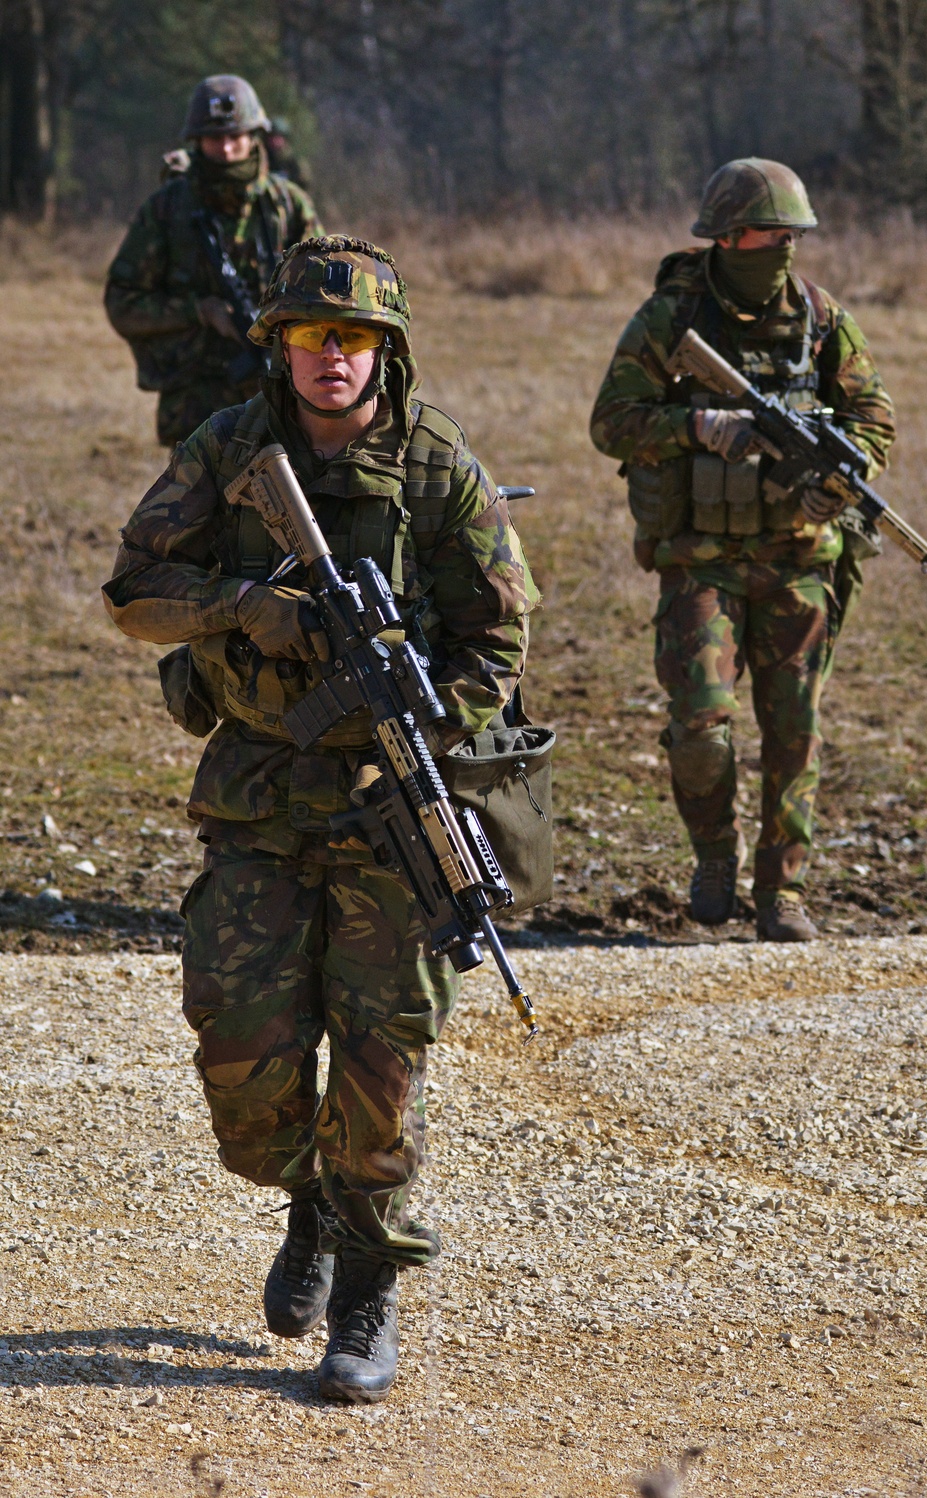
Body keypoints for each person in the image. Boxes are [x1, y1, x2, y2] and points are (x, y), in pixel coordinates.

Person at [102, 235, 537, 1402]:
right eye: (311, 339)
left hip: (390, 809)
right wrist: (244, 605)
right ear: (282, 349)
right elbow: (132, 592)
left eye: (352, 340)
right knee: (245, 1066)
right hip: (257, 798)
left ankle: (365, 1285)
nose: (331, 359)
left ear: (383, 352)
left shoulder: (438, 464)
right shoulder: (228, 450)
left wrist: (422, 714)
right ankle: (306, 1195)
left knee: (384, 1061)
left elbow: (501, 632)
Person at [590, 158, 895, 941]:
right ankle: (714, 859)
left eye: (793, 235)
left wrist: (843, 474)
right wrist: (694, 427)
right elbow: (611, 422)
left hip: (799, 558)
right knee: (702, 720)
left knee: (795, 729)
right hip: (701, 558)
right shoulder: (670, 320)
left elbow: (874, 420)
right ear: (727, 238)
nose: (783, 249)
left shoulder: (825, 321)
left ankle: (783, 891)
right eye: (768, 234)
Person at [105, 75, 322, 447]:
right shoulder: (166, 210)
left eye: (235, 137)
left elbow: (323, 299)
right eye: (214, 138)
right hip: (194, 402)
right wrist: (199, 311)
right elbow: (122, 302)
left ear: (254, 136)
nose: (226, 149)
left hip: (280, 395)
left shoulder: (288, 207)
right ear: (196, 141)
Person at [265, 116, 313, 192]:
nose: (274, 141)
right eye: (271, 137)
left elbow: (304, 183)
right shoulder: (263, 158)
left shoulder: (294, 161)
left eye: (277, 137)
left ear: (285, 139)